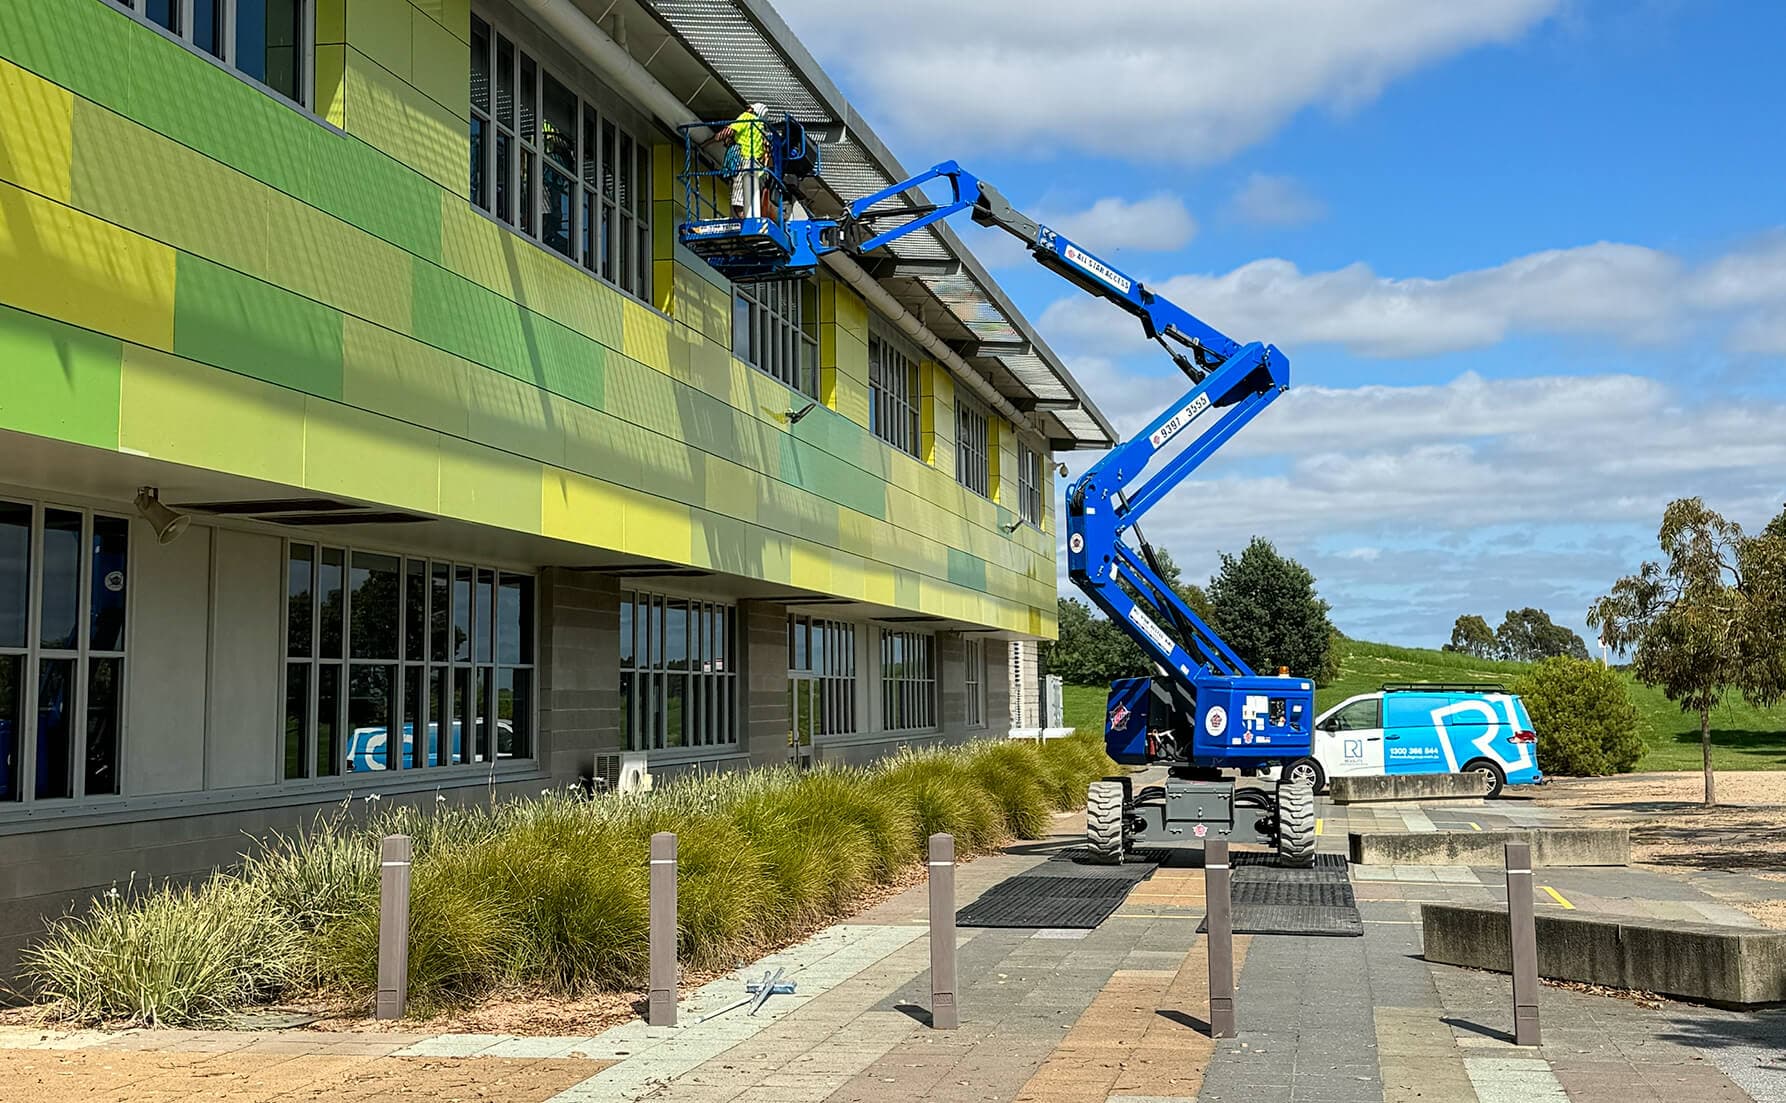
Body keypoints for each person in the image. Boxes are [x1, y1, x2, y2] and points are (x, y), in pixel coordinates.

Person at [716, 102, 769, 219]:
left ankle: (746, 222)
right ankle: (750, 219)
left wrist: (717, 137)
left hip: (744, 162)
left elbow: (728, 131)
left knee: (738, 202)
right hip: (756, 166)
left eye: (750, 108)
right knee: (750, 200)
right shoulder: (761, 128)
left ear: (753, 111)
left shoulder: (747, 117)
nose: (747, 110)